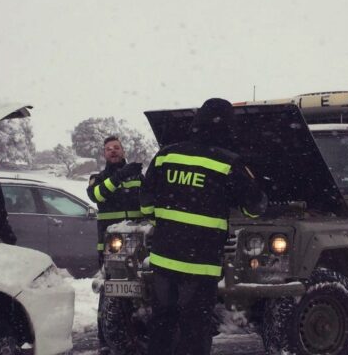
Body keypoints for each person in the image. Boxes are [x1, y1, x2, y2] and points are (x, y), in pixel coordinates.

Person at [140, 98, 267, 355]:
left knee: (162, 325)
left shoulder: (166, 155)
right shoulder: (229, 163)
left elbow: (145, 201)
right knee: (194, 330)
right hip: (200, 265)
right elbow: (254, 207)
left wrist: (165, 226)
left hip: (163, 260)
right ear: (227, 127)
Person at [86, 135, 144, 355]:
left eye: (116, 148)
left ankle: (137, 330)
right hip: (111, 247)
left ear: (123, 150)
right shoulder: (97, 178)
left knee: (141, 289)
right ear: (104, 154)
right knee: (109, 292)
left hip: (140, 244)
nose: (113, 151)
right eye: (108, 148)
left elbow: (149, 200)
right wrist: (120, 176)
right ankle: (105, 337)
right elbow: (96, 195)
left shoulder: (138, 175)